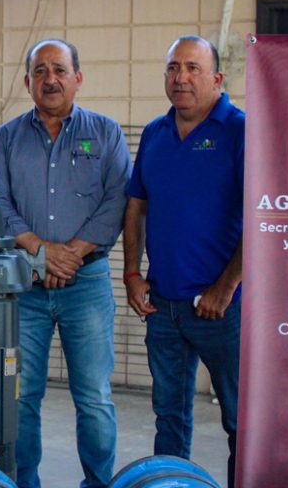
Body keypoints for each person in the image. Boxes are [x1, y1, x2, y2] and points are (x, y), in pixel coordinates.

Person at [0, 39, 130, 488]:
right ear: (28, 81)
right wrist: (40, 251)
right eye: (41, 71)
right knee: (21, 396)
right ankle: (24, 482)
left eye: (60, 70)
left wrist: (72, 254)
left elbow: (116, 200)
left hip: (86, 284)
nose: (50, 79)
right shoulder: (6, 138)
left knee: (94, 397)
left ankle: (98, 483)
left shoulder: (106, 133)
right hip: (23, 287)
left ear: (77, 78)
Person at [123, 35, 243, 488]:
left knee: (239, 420)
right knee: (168, 420)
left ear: (216, 78)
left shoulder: (240, 130)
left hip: (221, 310)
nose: (181, 78)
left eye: (193, 68)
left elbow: (260, 214)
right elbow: (136, 205)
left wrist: (225, 288)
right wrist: (132, 273)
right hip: (164, 308)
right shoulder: (155, 132)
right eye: (174, 68)